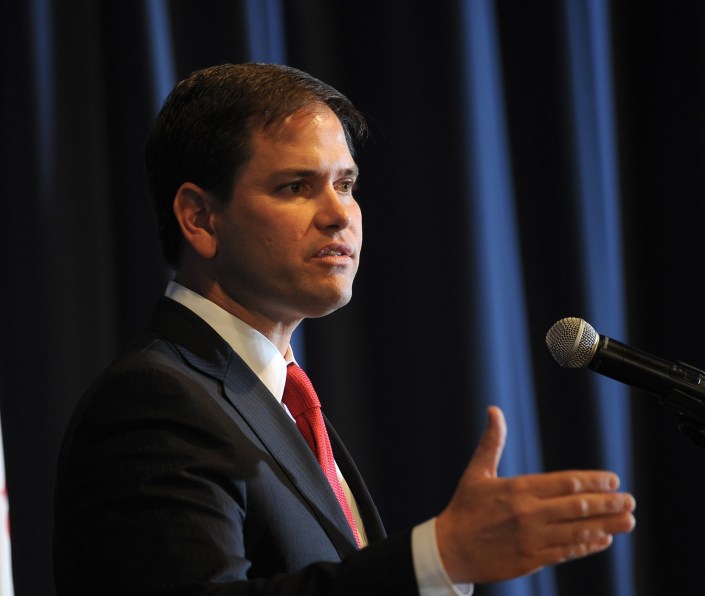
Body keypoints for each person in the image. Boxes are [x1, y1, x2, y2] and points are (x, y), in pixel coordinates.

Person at [53, 63, 636, 595]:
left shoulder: (274, 397)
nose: (338, 214)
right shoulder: (154, 402)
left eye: (346, 184)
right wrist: (441, 557)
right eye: (295, 186)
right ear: (200, 218)